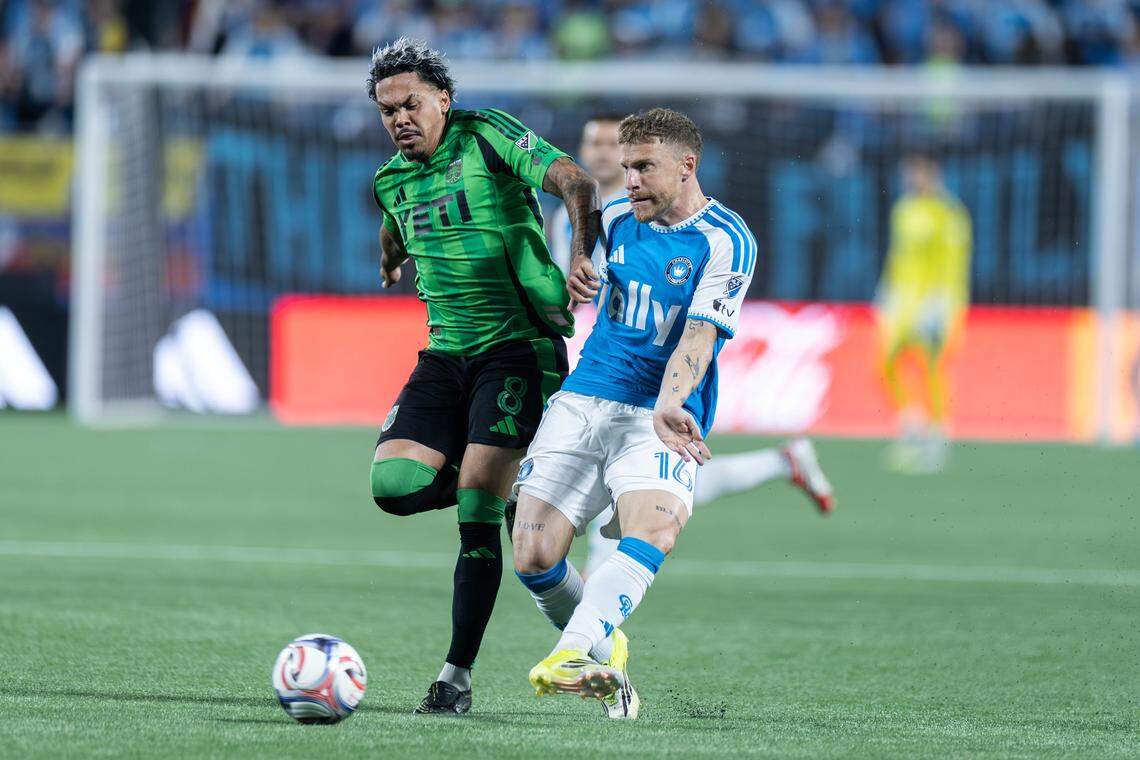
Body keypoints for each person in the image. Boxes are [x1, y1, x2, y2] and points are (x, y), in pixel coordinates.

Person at [366, 37, 600, 715]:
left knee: (473, 507)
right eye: (387, 110)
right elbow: (394, 227)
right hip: (443, 357)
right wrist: (388, 262)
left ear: (443, 99)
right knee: (393, 487)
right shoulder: (390, 180)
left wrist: (581, 254)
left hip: (518, 349)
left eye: (411, 103)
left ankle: (455, 677)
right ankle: (511, 485)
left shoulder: (486, 136)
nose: (400, 117)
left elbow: (575, 182)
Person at [511, 108, 754, 719]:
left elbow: (699, 337)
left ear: (686, 165)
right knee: (534, 557)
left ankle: (570, 653)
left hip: (657, 411)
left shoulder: (727, 239)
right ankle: (603, 643)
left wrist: (672, 402)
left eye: (644, 167)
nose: (631, 180)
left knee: (655, 529)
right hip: (585, 397)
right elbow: (584, 272)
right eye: (626, 168)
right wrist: (579, 275)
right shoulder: (615, 219)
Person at [548, 113, 835, 577]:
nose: (601, 154)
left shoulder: (694, 228)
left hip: (660, 385)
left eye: (610, 144)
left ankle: (593, 629)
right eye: (592, 144)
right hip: (599, 367)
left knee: (644, 498)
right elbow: (573, 298)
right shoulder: (584, 218)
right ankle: (781, 461)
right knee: (657, 490)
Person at [875, 151, 971, 473]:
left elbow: (954, 264)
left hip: (936, 303)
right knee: (886, 362)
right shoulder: (904, 209)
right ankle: (912, 426)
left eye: (917, 172)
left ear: (932, 173)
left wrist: (941, 305)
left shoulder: (949, 213)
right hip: (903, 301)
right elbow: (898, 254)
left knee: (932, 367)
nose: (911, 179)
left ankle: (938, 436)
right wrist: (885, 292)